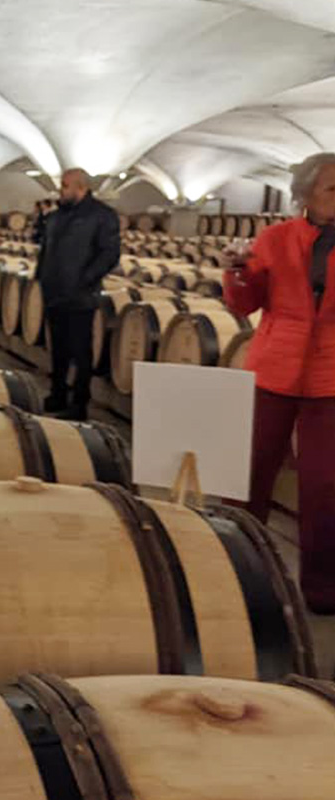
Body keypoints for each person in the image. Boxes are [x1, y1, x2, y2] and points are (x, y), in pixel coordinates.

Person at [224, 151, 335, 615]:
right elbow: (245, 304)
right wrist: (237, 273)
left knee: (325, 484)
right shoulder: (276, 237)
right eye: (333, 188)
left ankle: (322, 587)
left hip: (330, 377)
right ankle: (237, 569)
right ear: (306, 193)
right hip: (273, 368)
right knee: (248, 474)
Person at [36, 168, 120, 420]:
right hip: (54, 292)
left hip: (80, 294)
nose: (60, 191)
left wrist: (83, 280)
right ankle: (58, 392)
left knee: (81, 351)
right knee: (58, 347)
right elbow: (45, 247)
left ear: (80, 187)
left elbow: (109, 254)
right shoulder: (58, 215)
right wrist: (42, 277)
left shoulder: (102, 215)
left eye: (64, 186)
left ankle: (79, 402)